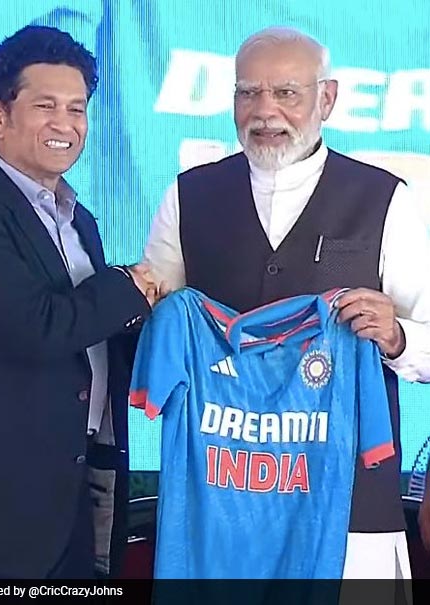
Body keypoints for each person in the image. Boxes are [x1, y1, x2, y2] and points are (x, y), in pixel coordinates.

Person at [143, 26, 430, 581]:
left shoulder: (384, 198)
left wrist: (397, 338)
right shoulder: (188, 195)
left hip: (349, 503)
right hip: (223, 504)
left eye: (286, 93)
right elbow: (159, 315)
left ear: (328, 98)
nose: (264, 111)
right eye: (248, 92)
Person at [0, 25, 159, 580]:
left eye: (77, 108)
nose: (66, 123)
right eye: (46, 106)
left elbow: (88, 336)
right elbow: (38, 328)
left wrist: (150, 319)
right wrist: (129, 284)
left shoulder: (79, 220)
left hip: (69, 499)